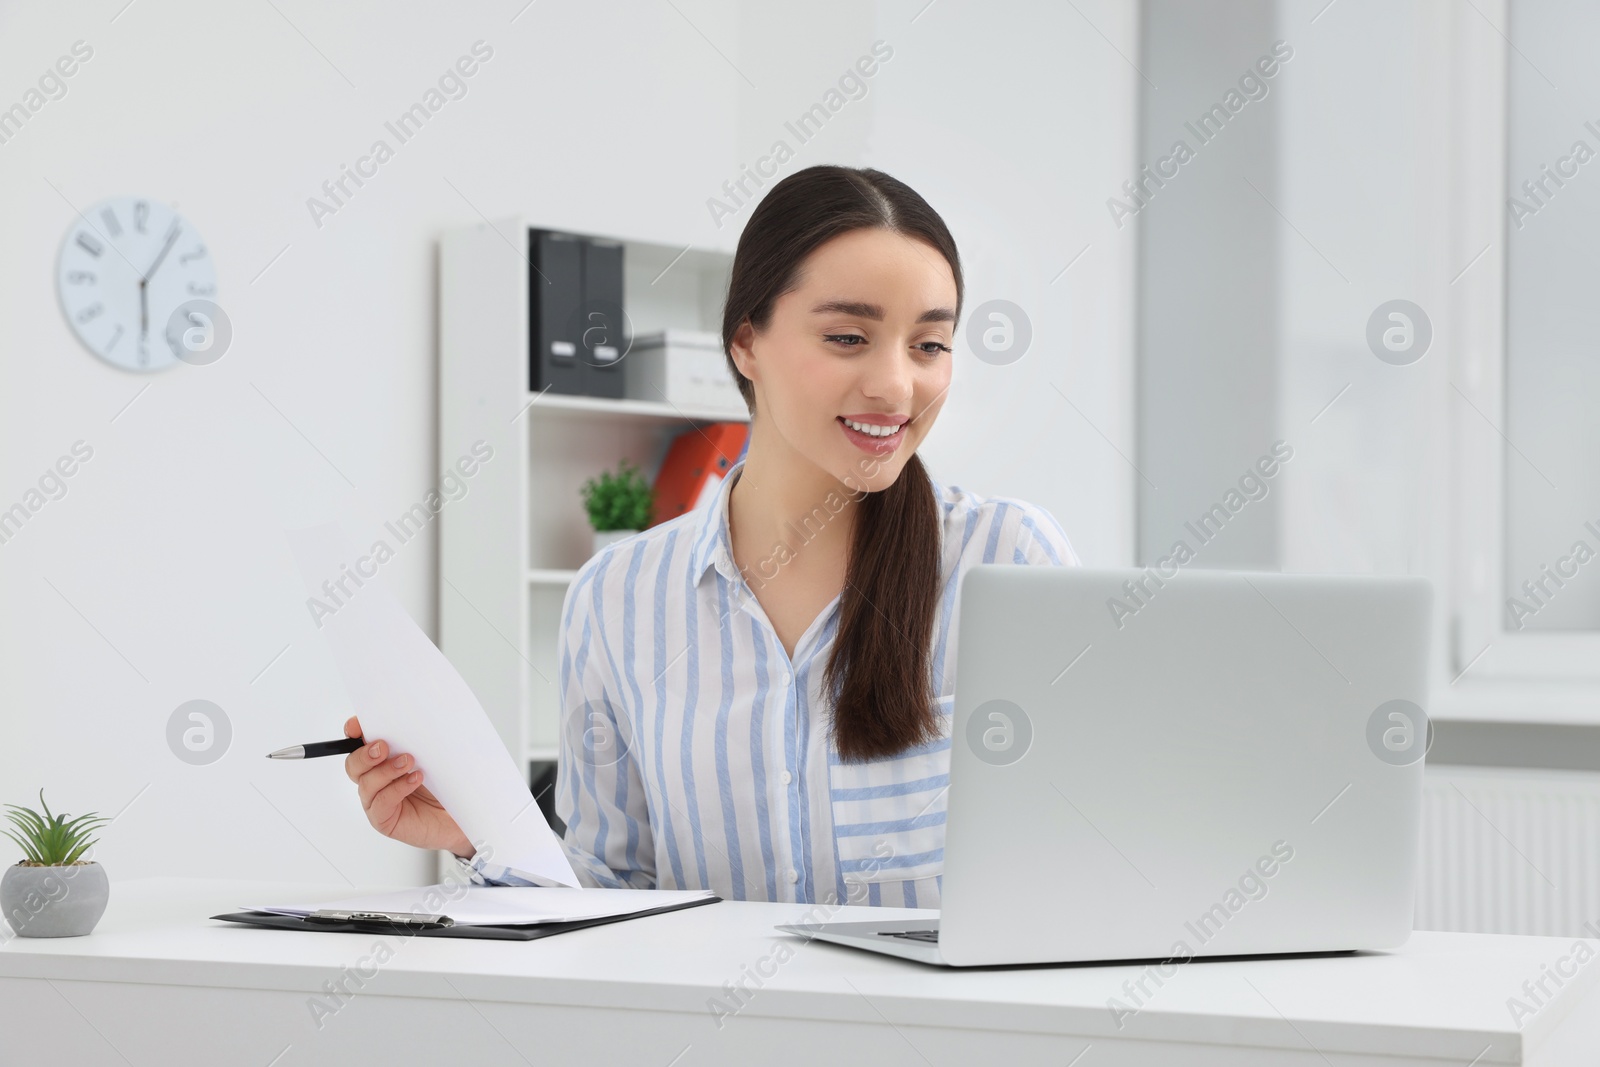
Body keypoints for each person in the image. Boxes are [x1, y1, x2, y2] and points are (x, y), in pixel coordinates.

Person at [345, 164, 1079, 909]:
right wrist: (479, 839)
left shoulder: (1006, 562)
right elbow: (610, 890)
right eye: (849, 336)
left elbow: (1080, 865)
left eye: (929, 345)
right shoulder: (618, 598)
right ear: (745, 344)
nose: (896, 385)